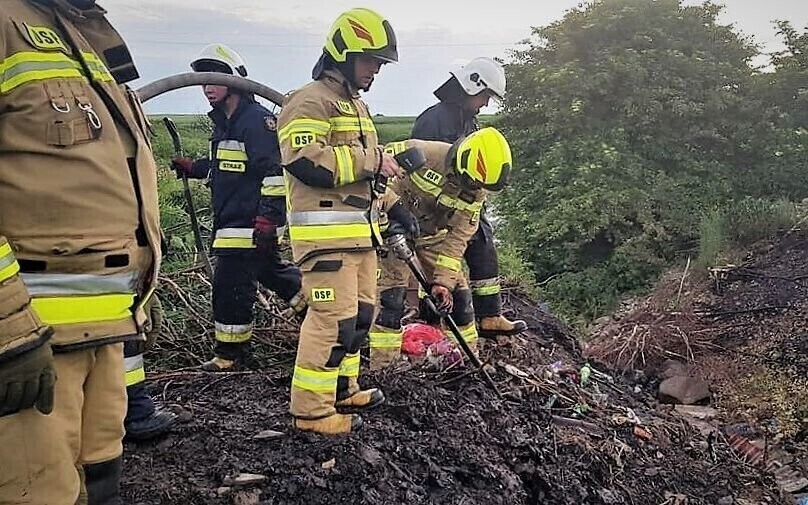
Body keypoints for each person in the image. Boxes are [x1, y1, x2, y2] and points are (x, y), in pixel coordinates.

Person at [0, 0, 162, 502]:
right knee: (38, 490)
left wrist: (139, 290)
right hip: (33, 342)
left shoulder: (79, 33)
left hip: (103, 329)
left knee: (100, 481)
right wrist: (9, 329)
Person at [277, 8, 416, 434]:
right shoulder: (309, 100)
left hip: (360, 236)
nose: (376, 70)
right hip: (325, 239)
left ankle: (342, 388)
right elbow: (305, 160)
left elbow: (366, 178)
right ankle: (311, 411)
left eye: (380, 63)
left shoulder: (356, 107)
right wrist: (373, 160)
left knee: (360, 318)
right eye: (370, 61)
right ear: (343, 55)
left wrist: (394, 206)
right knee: (331, 321)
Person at [172, 43, 306, 372]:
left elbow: (275, 173)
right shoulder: (226, 123)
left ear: (234, 82)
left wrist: (267, 220)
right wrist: (196, 168)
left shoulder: (256, 121)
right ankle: (320, 312)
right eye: (203, 81)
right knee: (270, 272)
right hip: (234, 221)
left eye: (214, 80)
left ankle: (230, 355)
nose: (207, 87)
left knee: (230, 286)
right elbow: (231, 168)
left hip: (249, 225)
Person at [369, 128, 513, 368]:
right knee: (390, 299)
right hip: (393, 231)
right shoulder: (420, 153)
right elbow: (373, 178)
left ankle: (467, 361)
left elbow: (458, 238)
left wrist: (442, 283)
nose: (475, 187)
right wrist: (390, 214)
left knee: (459, 297)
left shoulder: (477, 193)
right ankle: (385, 367)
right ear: (462, 163)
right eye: (473, 181)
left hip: (431, 235)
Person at [411, 58, 527, 338]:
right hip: (435, 210)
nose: (485, 103)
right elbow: (427, 173)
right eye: (484, 96)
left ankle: (490, 314)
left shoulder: (468, 121)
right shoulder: (433, 120)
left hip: (464, 200)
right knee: (437, 261)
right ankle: (433, 318)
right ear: (470, 86)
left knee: (483, 238)